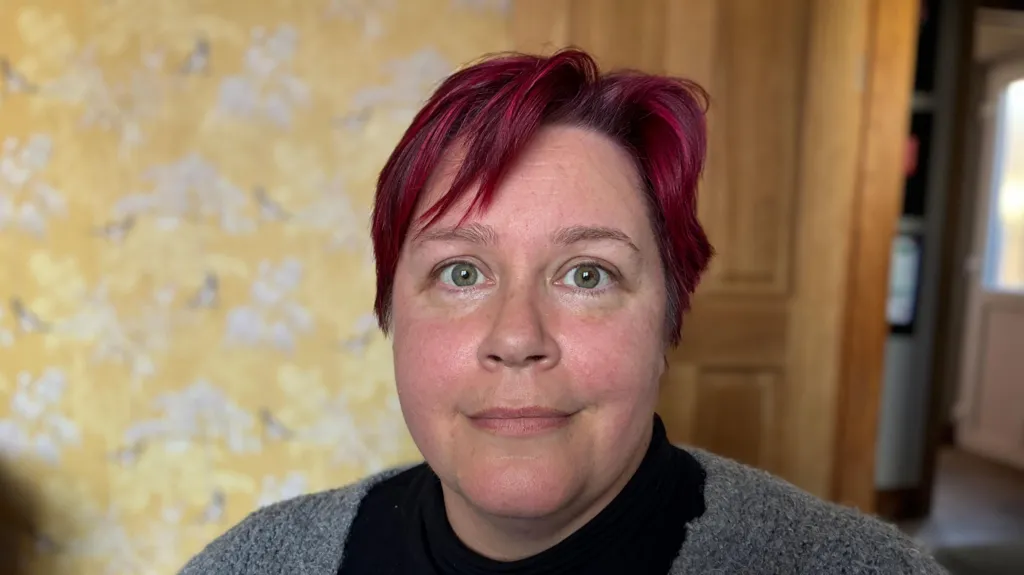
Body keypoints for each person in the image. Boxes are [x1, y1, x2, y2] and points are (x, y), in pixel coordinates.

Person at [180, 49, 947, 575]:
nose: (517, 336)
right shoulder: (256, 560)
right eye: (460, 271)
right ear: (390, 313)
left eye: (587, 273)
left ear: (668, 321)